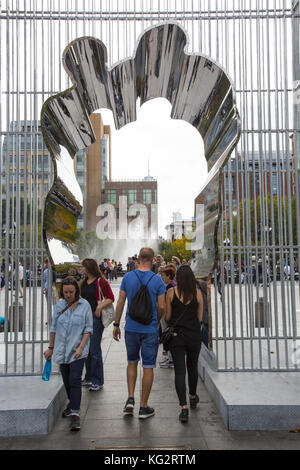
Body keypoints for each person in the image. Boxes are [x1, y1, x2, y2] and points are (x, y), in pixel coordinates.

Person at [113, 247, 166, 419]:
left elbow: (120, 301)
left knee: (131, 362)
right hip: (149, 329)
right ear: (152, 260)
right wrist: (156, 321)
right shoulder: (157, 280)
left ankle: (130, 398)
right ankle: (144, 407)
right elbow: (162, 306)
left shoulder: (128, 277)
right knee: (148, 366)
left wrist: (116, 324)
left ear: (139, 259)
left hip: (131, 328)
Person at [44, 277, 93, 431]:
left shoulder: (85, 305)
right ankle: (73, 403)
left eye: (71, 292)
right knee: (66, 380)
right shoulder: (59, 305)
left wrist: (81, 347)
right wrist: (51, 348)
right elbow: (53, 328)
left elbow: (88, 329)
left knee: (75, 379)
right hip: (61, 350)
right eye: (65, 292)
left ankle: (75, 414)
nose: (68, 295)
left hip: (78, 350)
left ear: (76, 291)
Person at [165, 265, 203, 424]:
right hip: (194, 336)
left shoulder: (170, 293)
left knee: (180, 372)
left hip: (177, 337)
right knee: (192, 367)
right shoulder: (198, 293)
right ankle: (193, 396)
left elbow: (167, 317)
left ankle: (183, 408)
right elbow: (200, 318)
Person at [79, 258, 114, 391]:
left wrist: (99, 307)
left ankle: (97, 380)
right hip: (84, 319)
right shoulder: (83, 282)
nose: (81, 269)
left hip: (95, 319)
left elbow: (111, 297)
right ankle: (88, 377)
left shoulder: (101, 282)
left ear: (88, 267)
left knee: (94, 350)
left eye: (83, 267)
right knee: (86, 350)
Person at [159, 264, 177, 368]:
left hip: (168, 315)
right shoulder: (170, 285)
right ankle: (170, 358)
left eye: (164, 276)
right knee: (168, 336)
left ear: (169, 276)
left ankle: (171, 360)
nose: (162, 278)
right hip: (167, 314)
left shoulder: (171, 286)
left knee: (169, 336)